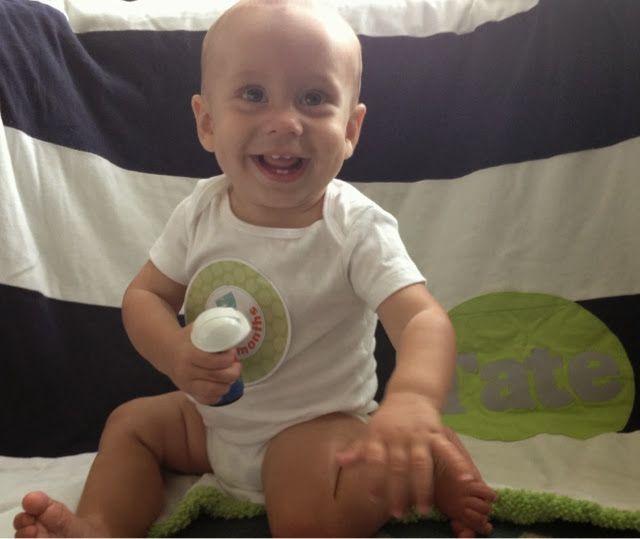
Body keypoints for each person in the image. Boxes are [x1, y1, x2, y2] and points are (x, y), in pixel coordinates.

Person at [13, 0, 497, 537]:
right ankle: (101, 526)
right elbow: (144, 297)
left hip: (315, 429)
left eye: (313, 98)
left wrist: (412, 400)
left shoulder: (355, 227)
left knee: (304, 521)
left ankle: (421, 457)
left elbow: (422, 319)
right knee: (130, 425)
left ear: (350, 129)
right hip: (213, 420)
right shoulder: (201, 211)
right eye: (253, 94)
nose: (285, 122)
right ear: (207, 122)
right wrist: (174, 353)